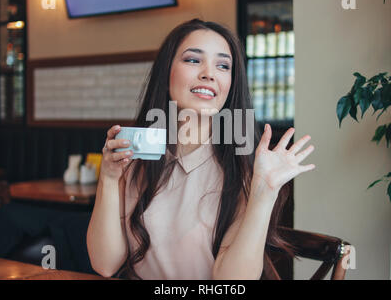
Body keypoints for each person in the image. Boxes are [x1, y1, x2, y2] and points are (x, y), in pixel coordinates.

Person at [86, 18, 315, 280]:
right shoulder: (134, 159)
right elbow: (105, 264)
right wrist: (109, 177)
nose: (209, 73)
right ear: (166, 72)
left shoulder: (242, 170)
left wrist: (265, 193)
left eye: (223, 65)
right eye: (193, 60)